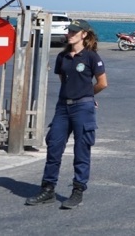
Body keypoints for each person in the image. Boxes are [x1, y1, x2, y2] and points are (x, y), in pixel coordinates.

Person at [26, 19, 107, 209]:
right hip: (63, 107)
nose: (69, 34)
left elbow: (102, 83)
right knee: (54, 146)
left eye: (74, 32)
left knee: (81, 149)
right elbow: (65, 81)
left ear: (84, 34)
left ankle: (77, 191)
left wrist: (88, 96)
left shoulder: (91, 57)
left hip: (83, 108)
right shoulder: (62, 57)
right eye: (69, 31)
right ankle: (48, 189)